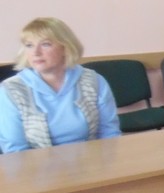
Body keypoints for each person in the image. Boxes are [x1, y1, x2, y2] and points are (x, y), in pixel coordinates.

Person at [0, 17, 121, 153]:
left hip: (92, 160)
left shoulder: (93, 81)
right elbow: (15, 150)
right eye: (29, 45)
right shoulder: (11, 90)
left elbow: (110, 133)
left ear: (65, 47)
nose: (35, 53)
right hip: (37, 164)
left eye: (45, 44)